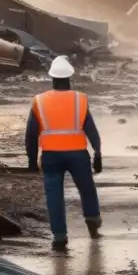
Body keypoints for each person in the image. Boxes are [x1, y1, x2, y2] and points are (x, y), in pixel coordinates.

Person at [26, 55, 103, 250]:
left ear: (52, 78)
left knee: (54, 195)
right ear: (70, 78)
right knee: (87, 189)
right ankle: (93, 225)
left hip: (51, 156)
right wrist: (98, 154)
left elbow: (30, 135)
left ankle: (59, 237)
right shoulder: (80, 99)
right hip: (78, 155)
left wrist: (32, 162)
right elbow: (91, 130)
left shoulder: (39, 101)